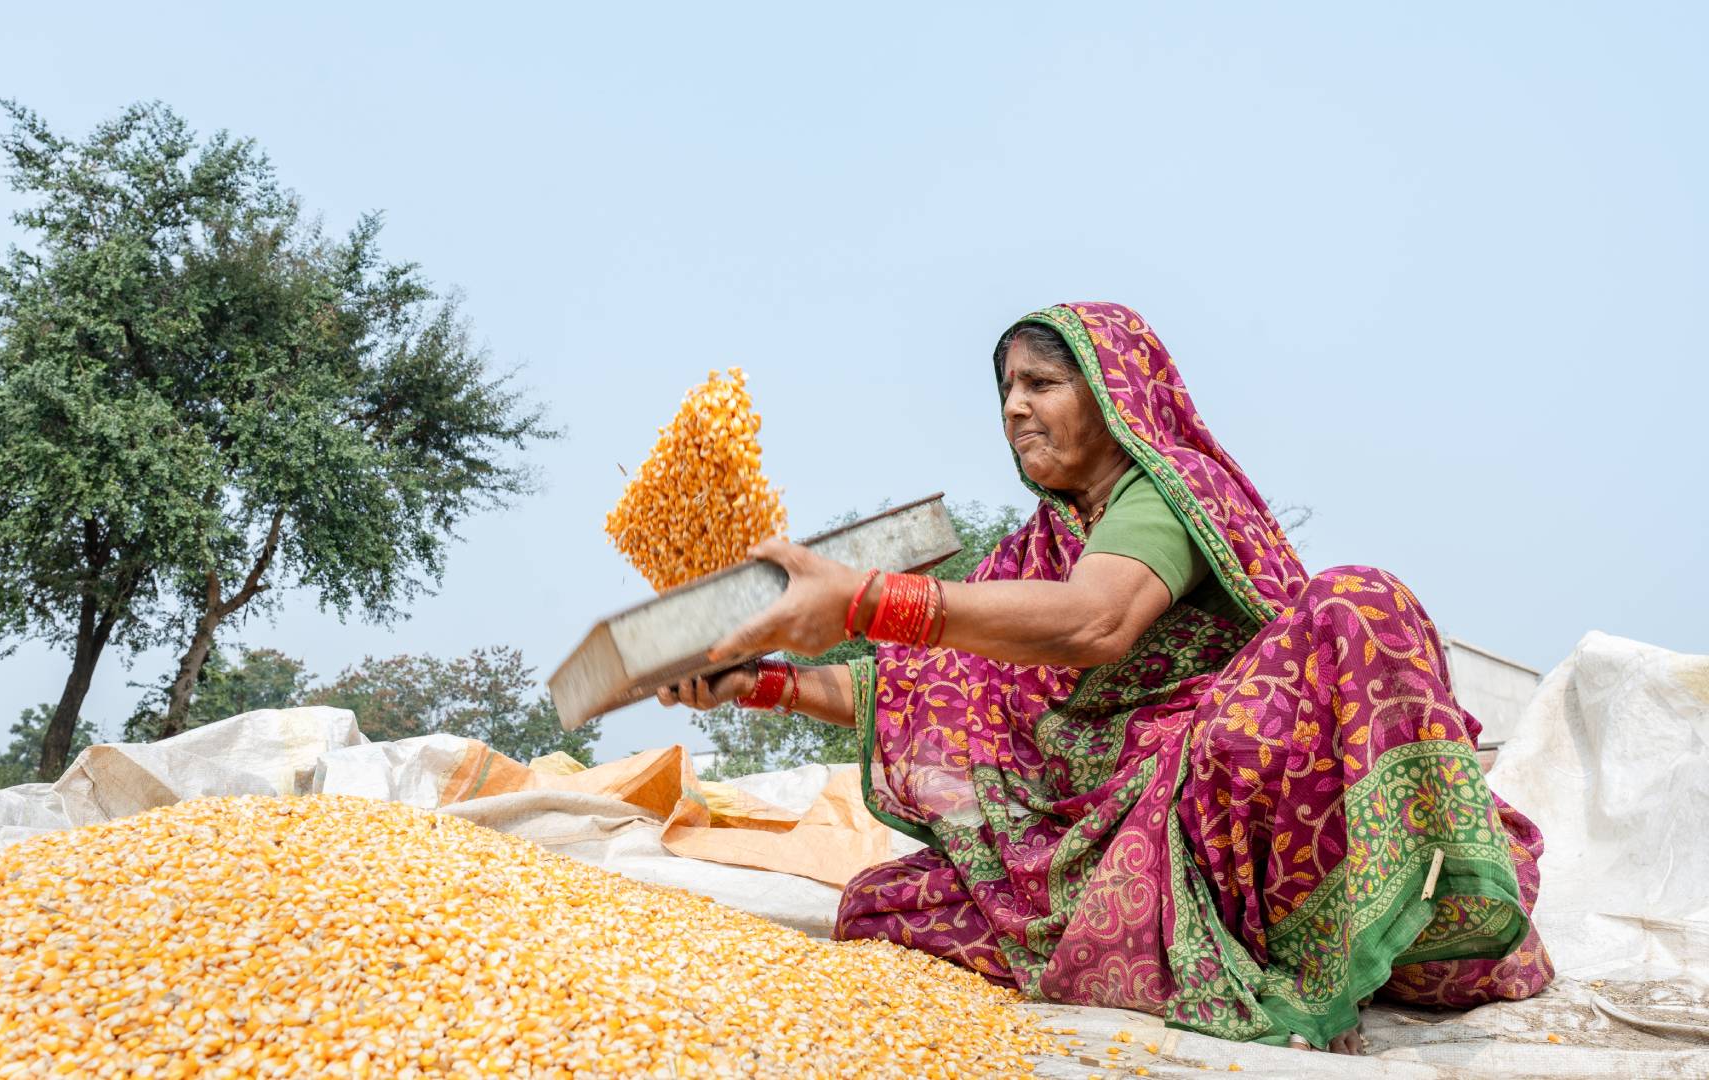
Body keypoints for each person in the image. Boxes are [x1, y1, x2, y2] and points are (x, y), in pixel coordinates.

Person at [657, 302, 1552, 1053]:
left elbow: (1097, 620)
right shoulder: (1027, 555)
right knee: (887, 903)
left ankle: (1338, 934)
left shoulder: (1168, 491)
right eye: (1007, 389)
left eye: (1041, 384)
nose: (1014, 409)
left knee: (1358, 600)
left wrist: (865, 599)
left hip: (1241, 817)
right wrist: (757, 683)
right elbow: (913, 691)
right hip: (1111, 838)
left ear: (1113, 395)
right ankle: (1152, 935)